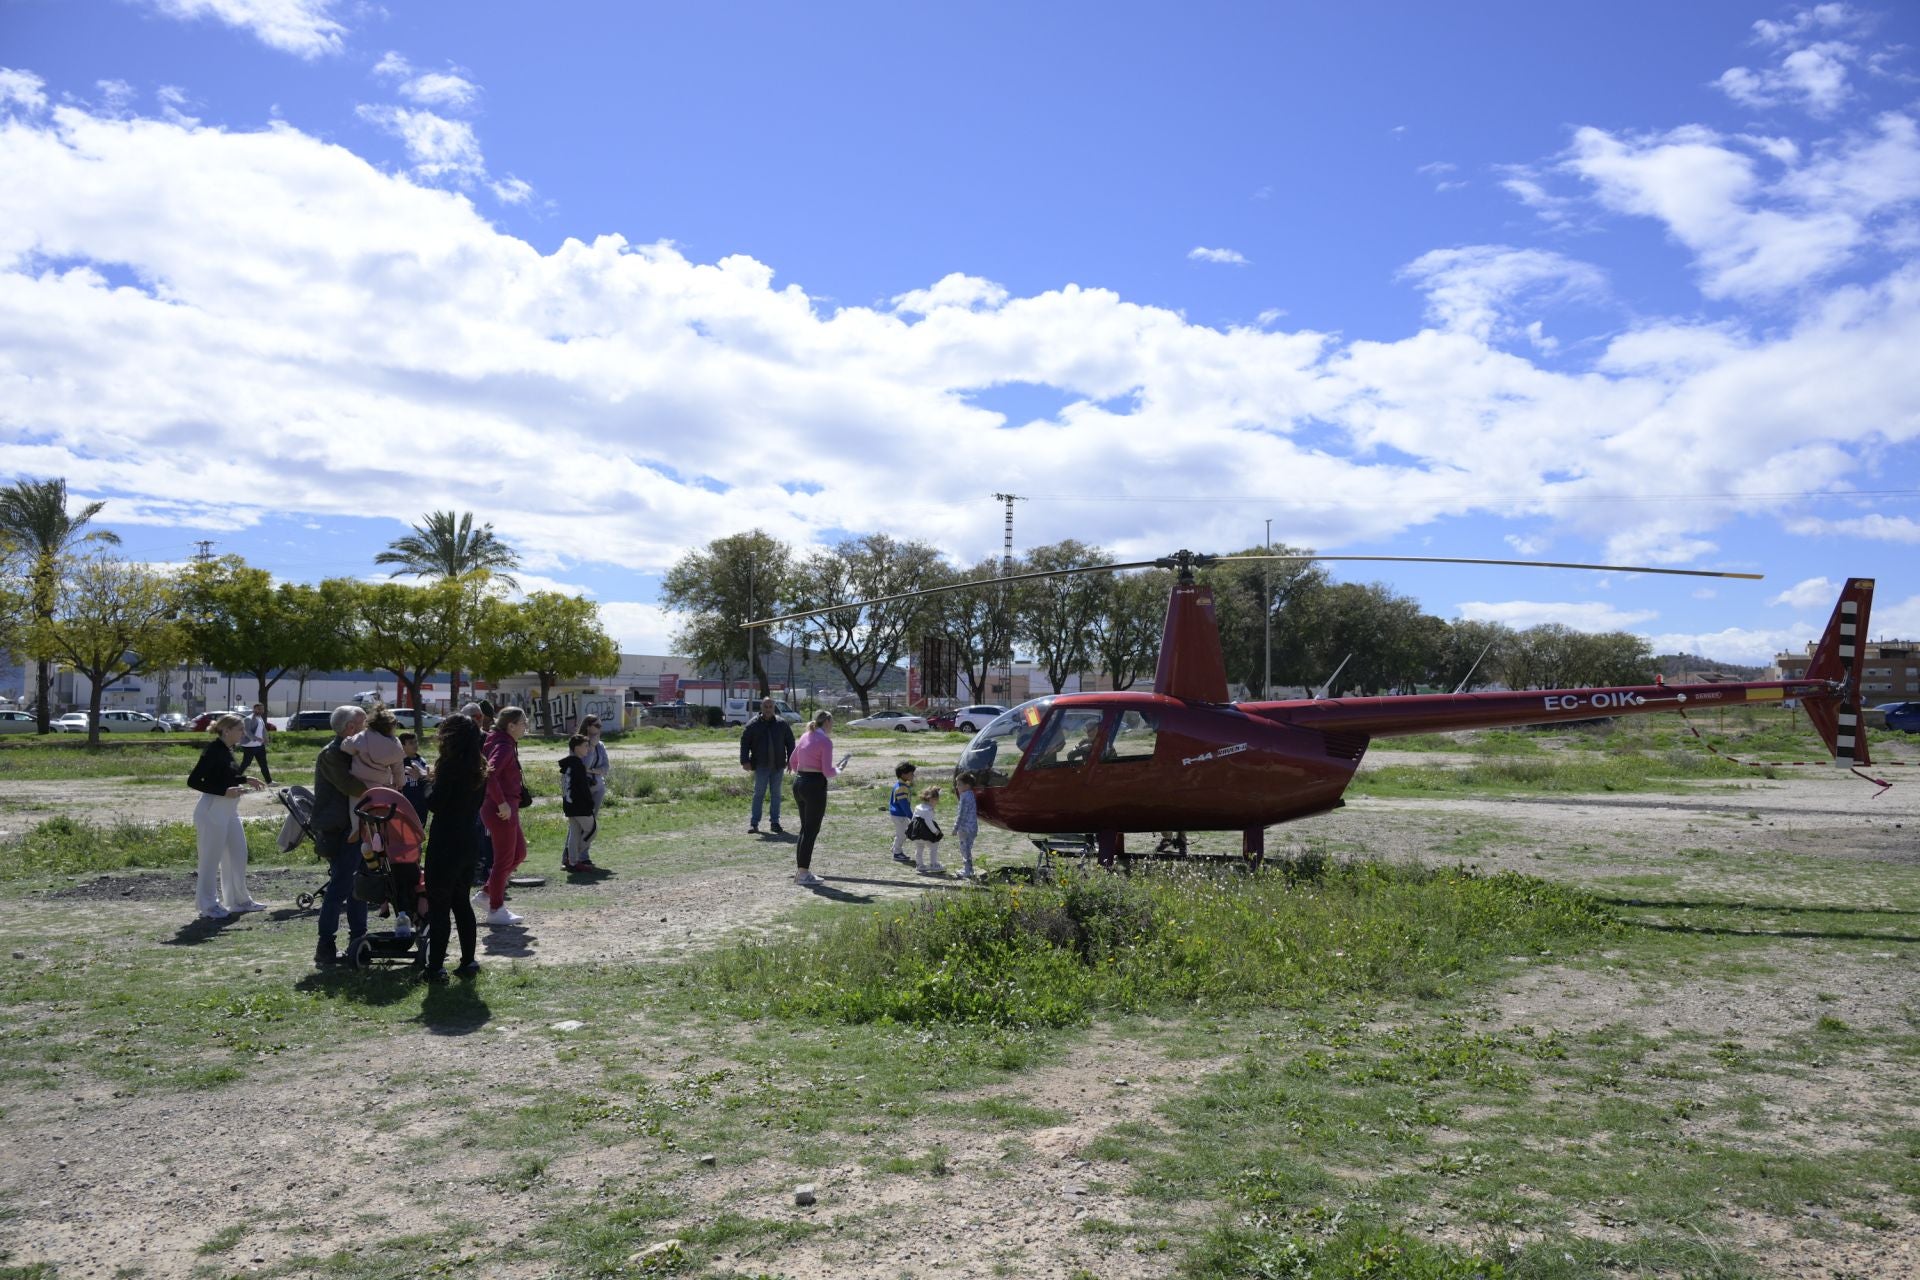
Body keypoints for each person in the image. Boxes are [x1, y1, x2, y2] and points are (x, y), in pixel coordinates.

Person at [421, 713, 486, 983]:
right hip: (469, 839)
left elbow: (435, 804)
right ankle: (468, 961)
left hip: (446, 840)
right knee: (461, 902)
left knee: (439, 905)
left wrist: (426, 781)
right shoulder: (479, 765)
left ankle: (435, 968)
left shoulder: (449, 766)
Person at [187, 712, 267, 918]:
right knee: (210, 860)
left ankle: (238, 900)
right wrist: (224, 792)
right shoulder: (213, 750)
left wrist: (245, 779)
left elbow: (223, 776)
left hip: (229, 811)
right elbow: (194, 781)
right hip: (212, 810)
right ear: (226, 730)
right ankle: (208, 905)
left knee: (238, 854)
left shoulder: (227, 749)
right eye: (240, 729)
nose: (243, 733)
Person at [312, 705, 370, 966]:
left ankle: (358, 941)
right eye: (363, 723)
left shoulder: (352, 752)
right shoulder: (332, 754)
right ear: (350, 727)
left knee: (357, 886)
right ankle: (326, 945)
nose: (367, 729)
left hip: (353, 827)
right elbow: (351, 786)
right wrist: (380, 784)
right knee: (340, 887)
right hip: (339, 830)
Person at [473, 705, 528, 926]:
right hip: (500, 808)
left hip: (506, 806)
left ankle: (487, 894)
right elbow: (490, 773)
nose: (526, 726)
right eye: (523, 723)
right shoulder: (503, 745)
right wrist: (502, 802)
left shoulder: (502, 741)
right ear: (511, 725)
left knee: (519, 853)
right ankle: (496, 909)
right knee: (504, 859)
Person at [786, 710, 839, 887]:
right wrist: (839, 769)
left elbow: (792, 761)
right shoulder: (825, 741)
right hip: (814, 785)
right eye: (832, 722)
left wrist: (803, 773)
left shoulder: (805, 736)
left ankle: (801, 871)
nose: (833, 725)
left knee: (805, 829)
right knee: (811, 830)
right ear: (827, 721)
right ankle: (803, 874)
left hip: (799, 782)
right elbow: (827, 771)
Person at [738, 697, 795, 834]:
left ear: (774, 708)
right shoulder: (752, 724)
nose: (768, 709)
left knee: (776, 795)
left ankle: (775, 823)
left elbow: (790, 742)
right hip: (761, 765)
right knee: (758, 794)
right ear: (761, 708)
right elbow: (744, 743)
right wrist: (744, 761)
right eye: (766, 707)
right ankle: (754, 823)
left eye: (770, 707)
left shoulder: (782, 724)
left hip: (778, 765)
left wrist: (791, 760)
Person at [559, 732, 601, 872]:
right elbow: (581, 790)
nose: (587, 748)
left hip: (569, 805)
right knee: (593, 830)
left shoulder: (569, 764)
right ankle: (573, 857)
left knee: (575, 833)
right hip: (579, 806)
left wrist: (587, 780)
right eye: (585, 746)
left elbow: (572, 785)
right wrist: (589, 804)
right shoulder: (577, 765)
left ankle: (572, 862)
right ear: (576, 748)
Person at [909, 786, 947, 876]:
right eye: (936, 801)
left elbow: (913, 818)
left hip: (916, 832)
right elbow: (928, 822)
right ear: (932, 800)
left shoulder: (918, 806)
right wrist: (935, 831)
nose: (936, 804)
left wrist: (911, 829)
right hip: (925, 832)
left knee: (919, 847)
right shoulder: (928, 810)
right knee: (934, 846)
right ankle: (933, 864)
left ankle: (920, 865)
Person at [580, 713, 611, 819]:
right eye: (597, 726)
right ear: (588, 727)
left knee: (593, 818)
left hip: (599, 787)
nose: (600, 728)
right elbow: (583, 766)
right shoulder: (578, 743)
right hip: (583, 787)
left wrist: (591, 770)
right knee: (582, 818)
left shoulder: (601, 745)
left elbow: (606, 768)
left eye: (600, 726)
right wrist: (592, 747)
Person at [887, 761, 917, 866]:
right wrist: (911, 816)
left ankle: (895, 848)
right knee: (903, 834)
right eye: (911, 773)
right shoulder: (902, 788)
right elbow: (903, 804)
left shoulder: (901, 785)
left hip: (897, 814)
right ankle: (897, 853)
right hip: (899, 815)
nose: (913, 775)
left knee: (901, 833)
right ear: (904, 774)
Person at [953, 772, 981, 881]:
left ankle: (967, 871)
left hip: (965, 828)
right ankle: (969, 869)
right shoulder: (971, 794)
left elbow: (962, 814)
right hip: (972, 827)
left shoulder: (964, 797)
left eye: (959, 784)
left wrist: (956, 827)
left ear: (967, 785)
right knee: (967, 849)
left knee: (964, 849)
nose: (957, 787)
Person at [398, 731, 431, 823]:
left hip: (421, 802)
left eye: (416, 742)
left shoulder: (422, 761)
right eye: (411, 743)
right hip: (406, 802)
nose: (415, 745)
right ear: (402, 745)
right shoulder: (399, 762)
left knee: (421, 824)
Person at [238, 702, 273, 785]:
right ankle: (234, 779)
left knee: (263, 764)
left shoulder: (260, 718)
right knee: (246, 764)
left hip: (260, 746)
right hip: (250, 746)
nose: (261, 710)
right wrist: (257, 739)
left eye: (262, 709)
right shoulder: (248, 719)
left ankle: (269, 782)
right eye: (259, 709)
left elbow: (263, 729)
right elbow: (247, 731)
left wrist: (266, 738)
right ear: (254, 709)